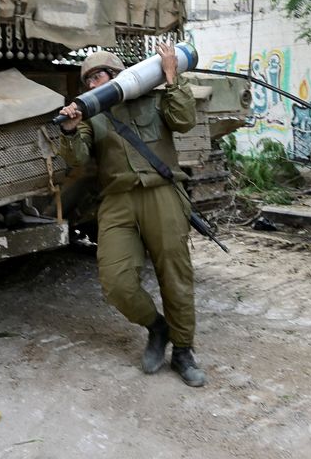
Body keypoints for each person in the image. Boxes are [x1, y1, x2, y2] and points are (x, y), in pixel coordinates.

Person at [57, 43, 206, 387]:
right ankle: (158, 327)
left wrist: (172, 80)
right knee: (116, 282)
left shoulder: (154, 99)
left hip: (162, 193)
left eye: (101, 75)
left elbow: (184, 120)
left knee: (175, 275)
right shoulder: (93, 116)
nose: (95, 84)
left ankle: (183, 351)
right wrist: (68, 129)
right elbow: (77, 158)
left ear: (118, 74)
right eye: (89, 79)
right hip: (117, 200)